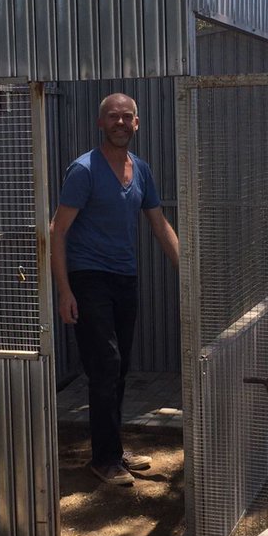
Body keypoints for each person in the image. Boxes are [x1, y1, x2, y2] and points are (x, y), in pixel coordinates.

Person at [50, 93, 180, 487]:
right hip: (88, 277)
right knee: (104, 364)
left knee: (119, 366)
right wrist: (64, 291)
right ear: (100, 123)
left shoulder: (141, 169)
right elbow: (57, 231)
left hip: (125, 277)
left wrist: (188, 272)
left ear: (136, 123)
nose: (120, 123)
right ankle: (104, 459)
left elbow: (159, 223)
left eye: (127, 117)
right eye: (112, 117)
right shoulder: (84, 170)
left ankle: (114, 450)